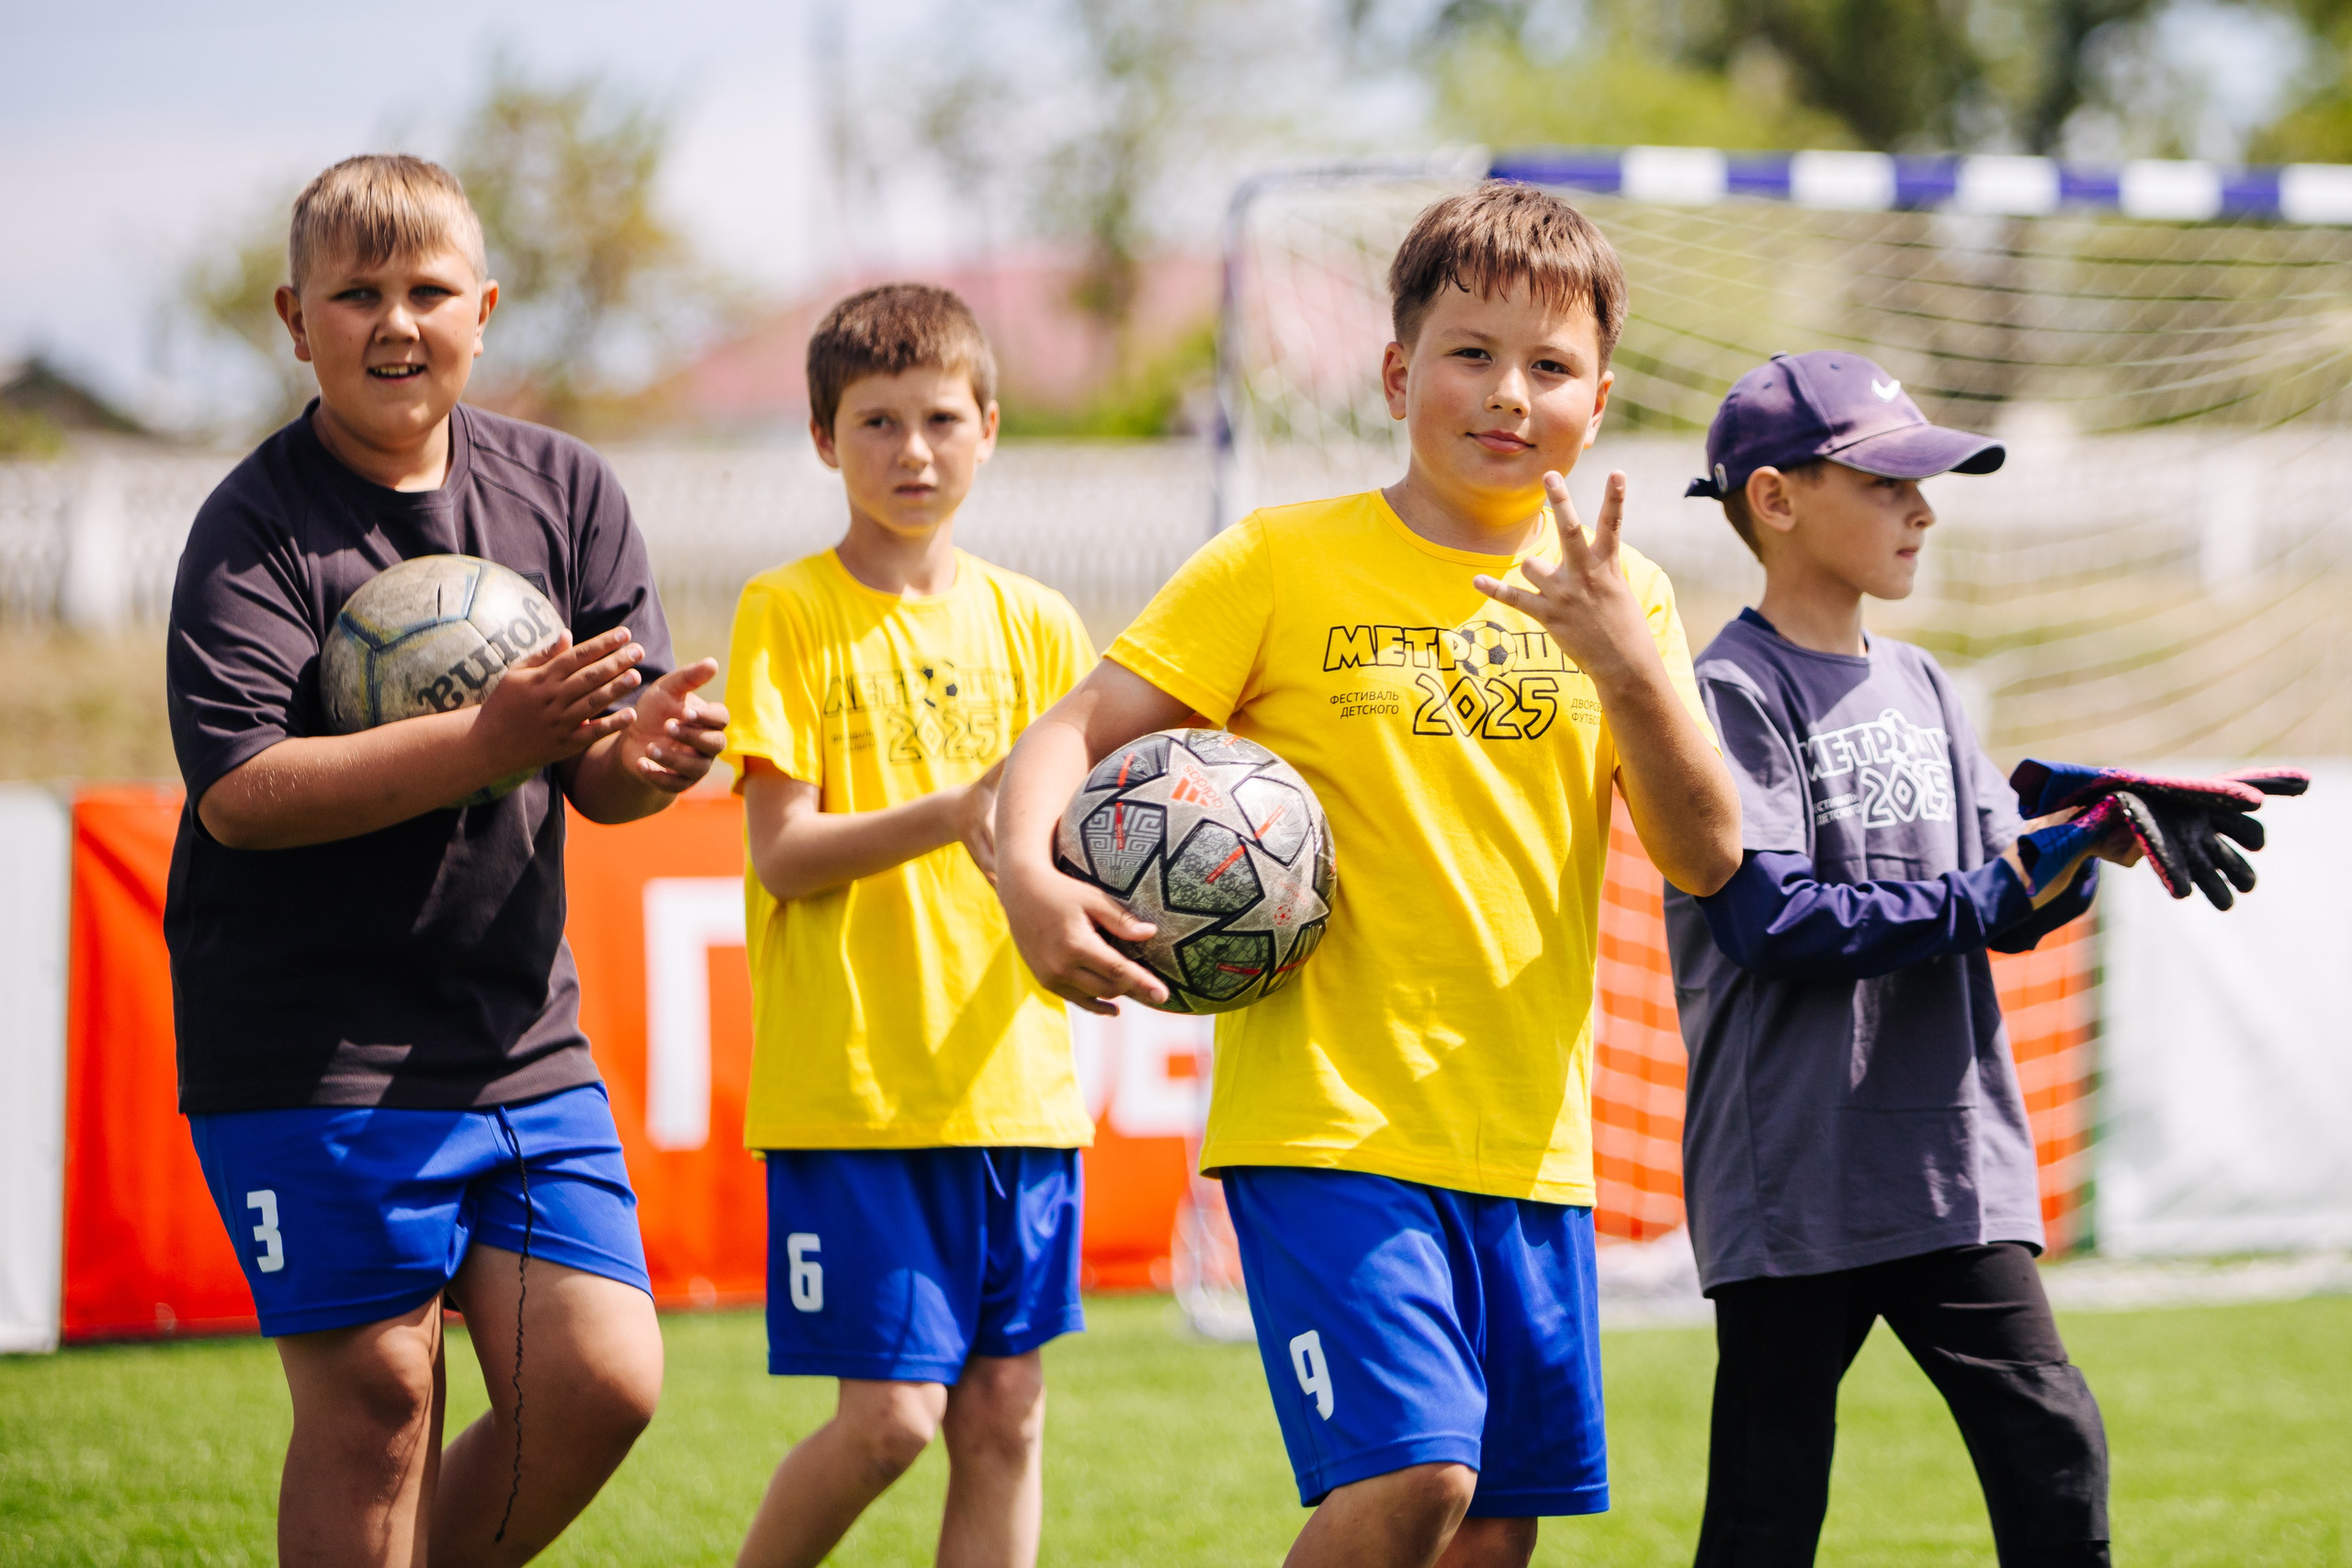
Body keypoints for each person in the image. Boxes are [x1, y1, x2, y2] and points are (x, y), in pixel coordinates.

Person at [994, 183, 1742, 1568]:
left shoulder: (1626, 599)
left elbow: (1708, 853)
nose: (1508, 392)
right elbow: (1063, 739)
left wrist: (1627, 661)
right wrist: (1032, 884)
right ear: (1399, 374)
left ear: (1599, 398)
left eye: (1551, 366)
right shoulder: (1281, 560)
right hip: (1327, 1130)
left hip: (1531, 1146)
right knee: (1418, 1479)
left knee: (1492, 1533)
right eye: (1470, 353)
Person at [165, 153, 727, 1568]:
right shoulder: (252, 528)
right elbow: (242, 793)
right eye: (357, 295)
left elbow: (594, 775)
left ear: (484, 308)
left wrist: (646, 758)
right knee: (381, 1398)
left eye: (428, 292)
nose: (395, 324)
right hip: (308, 1046)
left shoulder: (567, 491)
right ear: (298, 320)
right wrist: (490, 736)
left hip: (513, 1039)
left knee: (600, 1381)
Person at [1666, 351, 2129, 1567]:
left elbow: (2005, 903)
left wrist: (2103, 836)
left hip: (1947, 1162)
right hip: (1797, 1171)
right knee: (1769, 1509)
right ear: (1774, 500)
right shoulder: (1727, 690)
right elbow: (1774, 919)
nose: (1924, 509)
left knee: (2054, 1445)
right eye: (1885, 483)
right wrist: (1992, 889)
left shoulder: (1925, 682)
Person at [723, 283, 1098, 1568]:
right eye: (877, 422)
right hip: (862, 1094)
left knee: (1004, 1418)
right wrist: (949, 812)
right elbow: (784, 854)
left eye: (942, 418)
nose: (914, 451)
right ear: (825, 439)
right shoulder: (790, 610)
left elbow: (1077, 842)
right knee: (890, 1422)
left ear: (989, 426)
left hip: (1019, 1096)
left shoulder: (1042, 624)